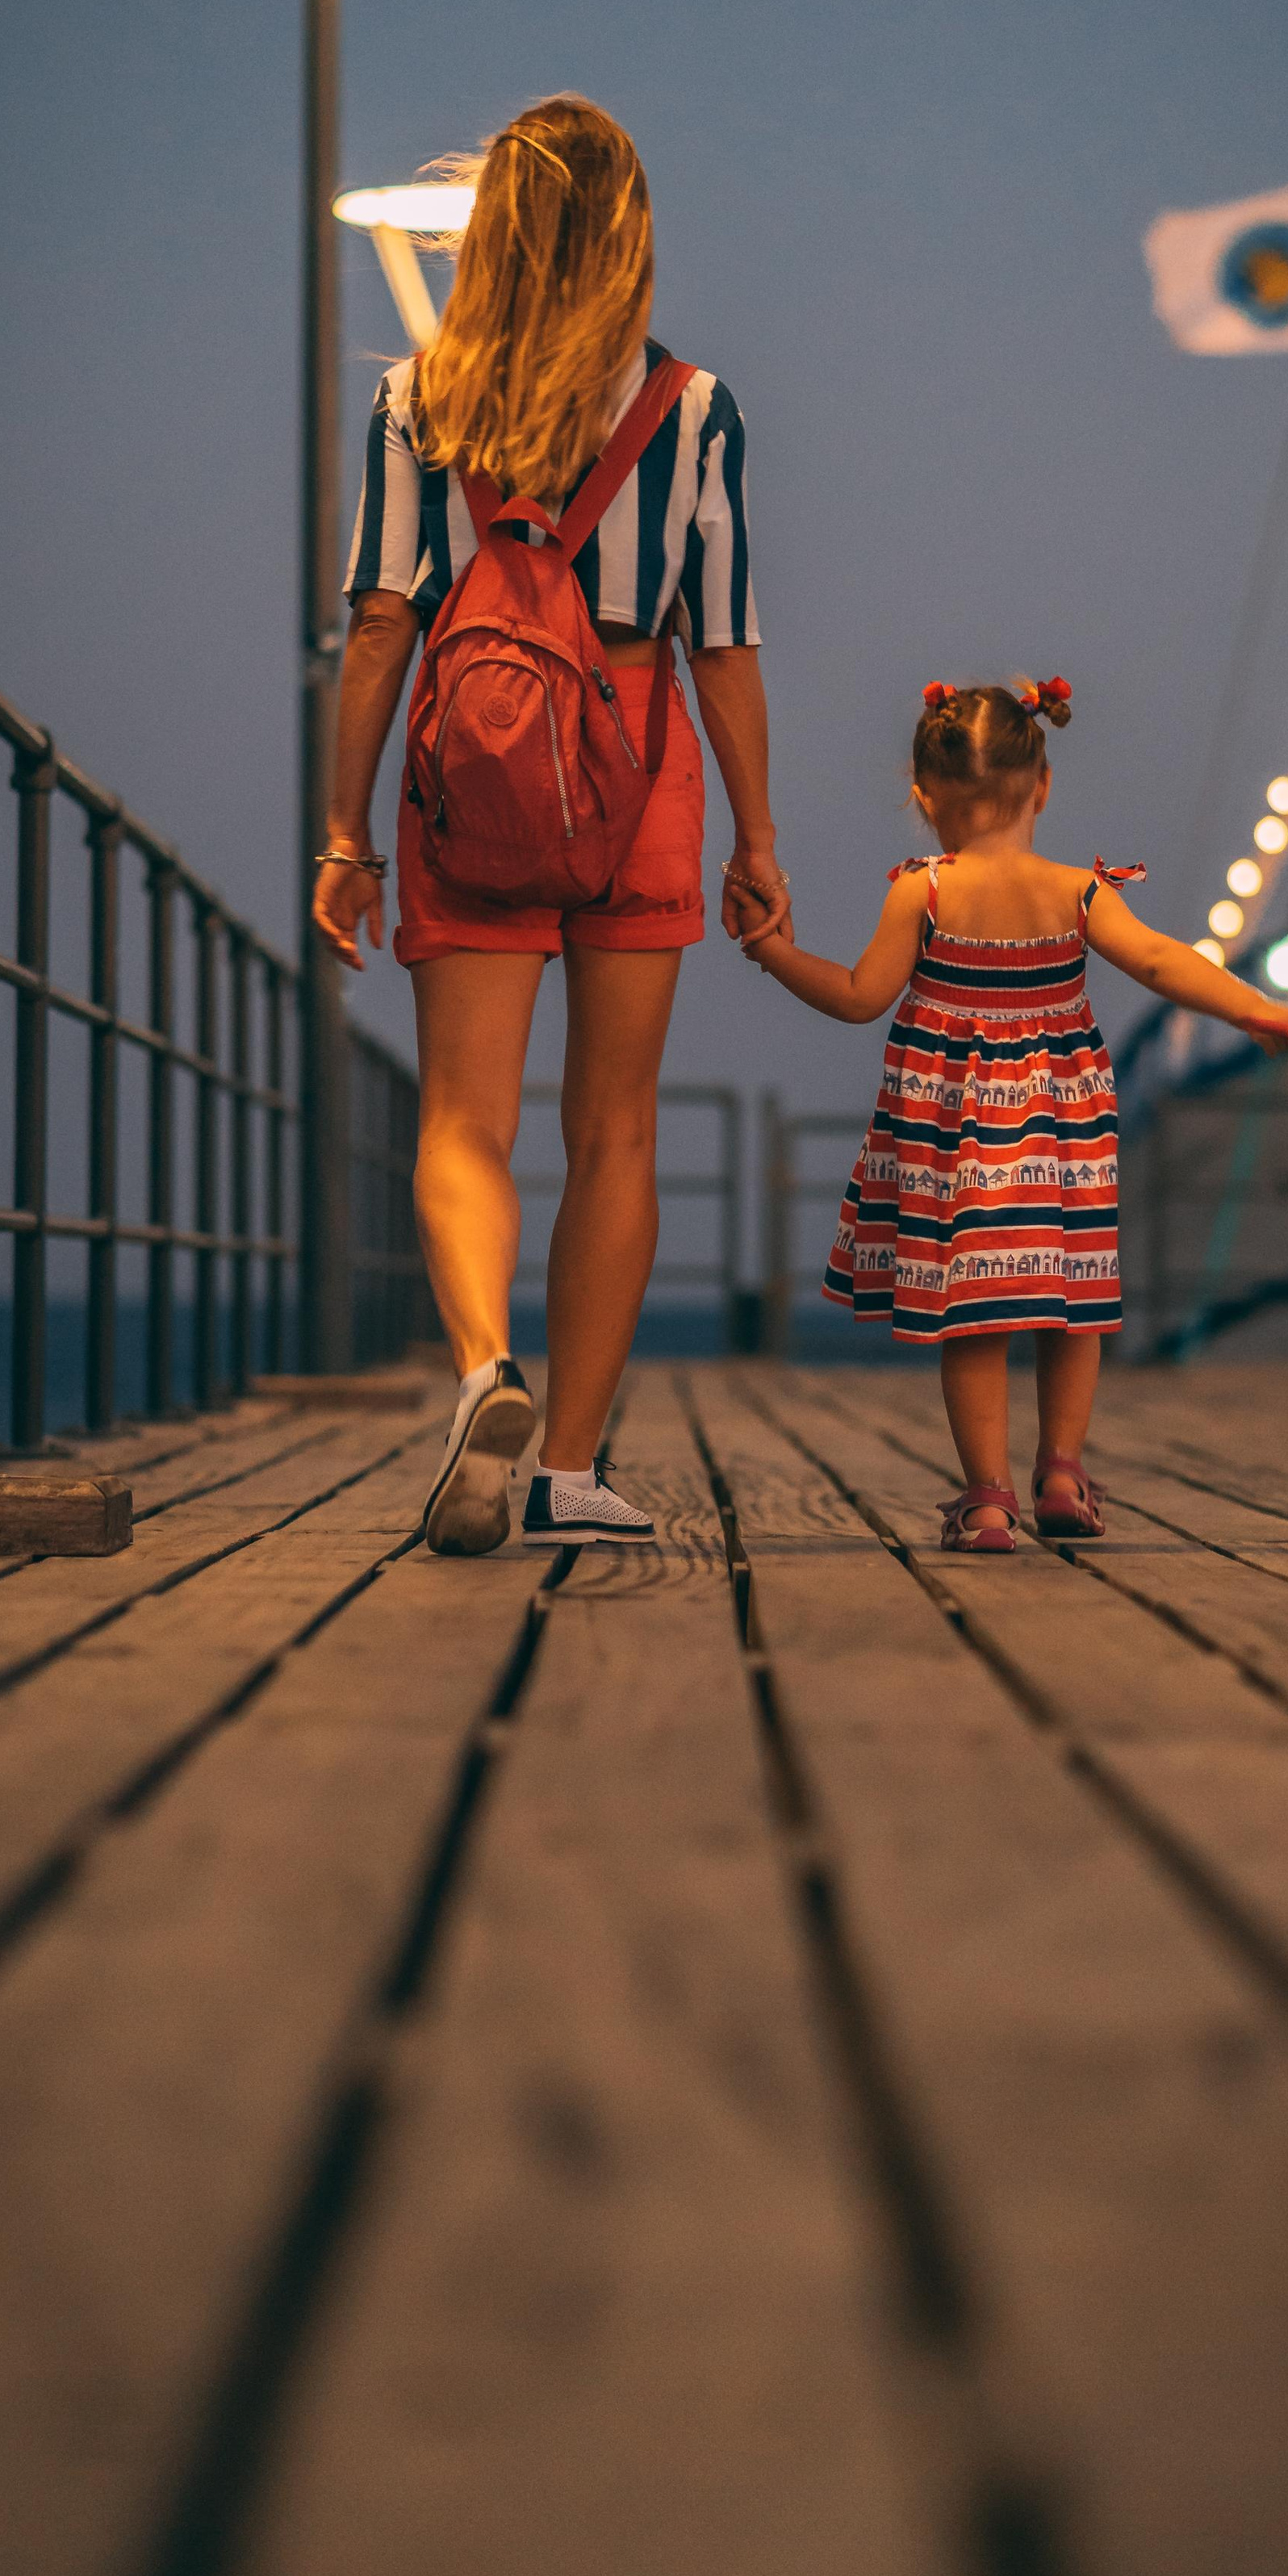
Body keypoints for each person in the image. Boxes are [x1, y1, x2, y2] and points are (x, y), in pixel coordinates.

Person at [314, 97, 788, 1555]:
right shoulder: (694, 408)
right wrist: (755, 844)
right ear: (631, 237)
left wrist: (346, 836)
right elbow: (724, 645)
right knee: (618, 1130)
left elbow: (385, 628)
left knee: (464, 1119)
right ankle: (569, 1470)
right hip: (640, 776)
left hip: (472, 777)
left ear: (494, 234)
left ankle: (479, 1372)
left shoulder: (419, 404)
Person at [742, 677, 1288, 1552]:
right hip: (1062, 1135)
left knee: (972, 1317)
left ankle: (986, 1499)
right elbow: (1163, 963)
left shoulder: (922, 893)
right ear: (1042, 785)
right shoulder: (1078, 893)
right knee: (1072, 1299)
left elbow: (861, 997)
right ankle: (1061, 1470)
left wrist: (771, 950)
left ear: (924, 796)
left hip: (955, 1147)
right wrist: (1257, 1010)